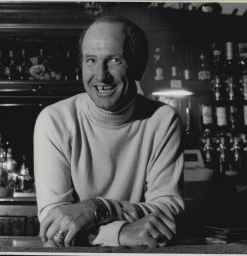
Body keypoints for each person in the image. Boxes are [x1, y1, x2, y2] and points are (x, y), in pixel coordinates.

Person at [34, 15, 184, 248]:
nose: (101, 75)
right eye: (91, 60)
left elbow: (167, 214)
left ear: (138, 66)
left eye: (114, 60)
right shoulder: (55, 120)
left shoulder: (163, 119)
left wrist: (96, 209)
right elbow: (55, 226)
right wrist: (122, 233)